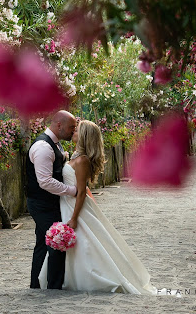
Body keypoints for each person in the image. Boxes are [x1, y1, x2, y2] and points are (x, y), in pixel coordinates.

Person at [39, 120, 157, 294]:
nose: (73, 132)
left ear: (84, 136)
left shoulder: (82, 161)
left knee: (84, 243)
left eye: (77, 130)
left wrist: (74, 218)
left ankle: (90, 277)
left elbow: (80, 192)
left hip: (74, 207)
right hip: (67, 204)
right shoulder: (75, 156)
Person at [26, 110, 78, 290]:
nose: (74, 131)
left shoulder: (55, 145)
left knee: (43, 241)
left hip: (48, 203)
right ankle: (54, 285)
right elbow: (45, 182)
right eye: (71, 127)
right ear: (59, 125)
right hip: (41, 203)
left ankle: (36, 283)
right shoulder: (43, 147)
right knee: (57, 240)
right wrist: (72, 191)